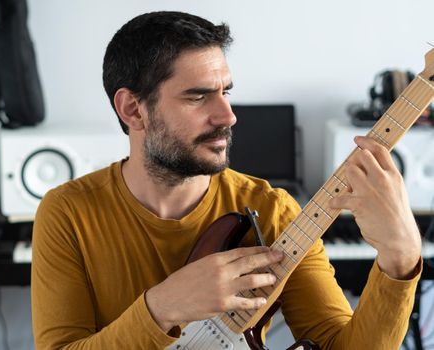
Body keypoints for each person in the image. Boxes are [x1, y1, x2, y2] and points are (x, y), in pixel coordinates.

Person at [31, 11, 422, 349]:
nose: (228, 115)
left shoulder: (273, 210)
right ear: (133, 110)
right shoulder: (68, 211)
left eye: (226, 92)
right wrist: (164, 306)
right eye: (198, 97)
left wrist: (400, 259)